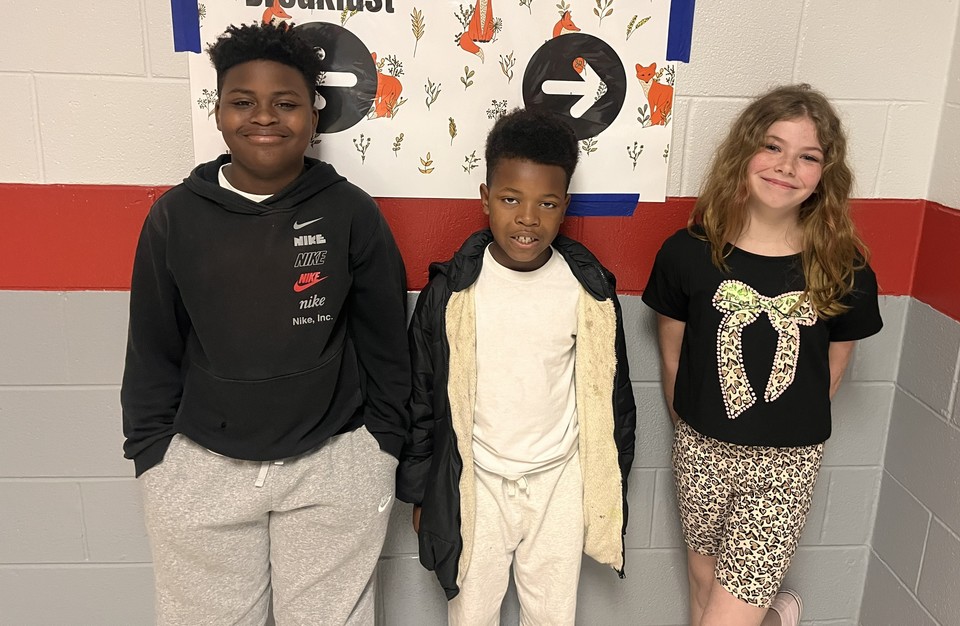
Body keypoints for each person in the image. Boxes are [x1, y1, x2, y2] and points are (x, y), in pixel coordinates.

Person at [120, 22, 410, 625]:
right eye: (243, 101)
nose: (264, 118)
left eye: (286, 103)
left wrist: (379, 447)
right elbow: (152, 347)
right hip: (201, 469)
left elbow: (386, 345)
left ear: (314, 115)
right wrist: (155, 457)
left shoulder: (351, 212)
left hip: (334, 466)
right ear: (218, 112)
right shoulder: (174, 217)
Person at [643, 84, 883, 626]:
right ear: (744, 151)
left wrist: (778, 433)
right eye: (772, 147)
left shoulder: (844, 267)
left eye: (808, 156)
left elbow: (833, 368)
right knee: (703, 585)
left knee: (728, 616)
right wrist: (693, 431)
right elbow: (673, 355)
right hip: (701, 449)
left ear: (826, 173)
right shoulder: (688, 253)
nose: (786, 167)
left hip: (785, 464)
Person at [396, 108, 636, 625]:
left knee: (552, 616)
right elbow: (421, 398)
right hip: (476, 482)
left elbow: (614, 399)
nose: (528, 218)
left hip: (559, 482)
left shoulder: (587, 289)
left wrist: (608, 483)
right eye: (511, 199)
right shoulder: (452, 292)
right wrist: (422, 492)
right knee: (471, 614)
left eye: (546, 203)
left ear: (564, 206)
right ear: (486, 199)